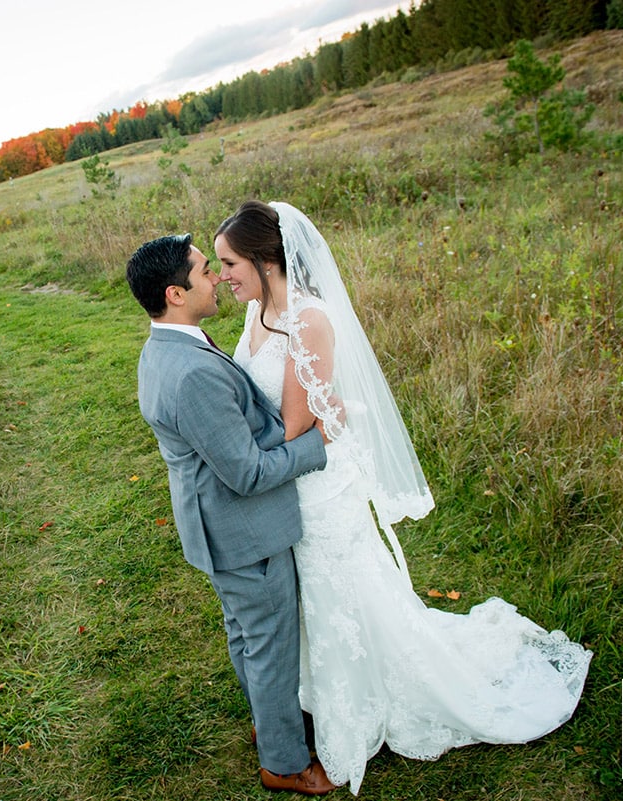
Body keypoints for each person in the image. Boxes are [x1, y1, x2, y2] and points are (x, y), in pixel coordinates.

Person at [214, 201, 593, 795]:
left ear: (266, 260)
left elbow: (289, 428)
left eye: (231, 263)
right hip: (291, 478)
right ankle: (308, 696)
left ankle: (361, 702)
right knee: (307, 600)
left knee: (340, 592)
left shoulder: (309, 320)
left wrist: (295, 425)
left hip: (316, 488)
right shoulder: (258, 310)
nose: (223, 276)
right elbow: (270, 404)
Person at [126, 234, 336, 795]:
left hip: (214, 527)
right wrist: (316, 446)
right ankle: (285, 762)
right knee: (266, 643)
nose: (215, 277)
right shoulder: (190, 371)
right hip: (243, 530)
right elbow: (245, 473)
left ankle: (269, 723)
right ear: (176, 293)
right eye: (203, 272)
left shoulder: (166, 347)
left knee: (245, 635)